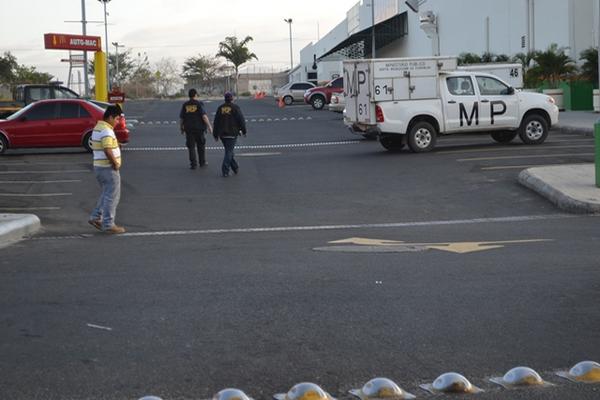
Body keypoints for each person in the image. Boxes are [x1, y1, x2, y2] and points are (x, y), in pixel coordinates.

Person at [88, 105, 126, 234]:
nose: (117, 122)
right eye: (116, 119)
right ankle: (108, 223)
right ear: (110, 117)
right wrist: (115, 163)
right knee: (112, 196)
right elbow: (107, 149)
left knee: (106, 194)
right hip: (107, 168)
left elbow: (105, 145)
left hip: (99, 167)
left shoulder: (98, 128)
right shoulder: (106, 131)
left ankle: (95, 217)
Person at [213, 92, 247, 177]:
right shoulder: (235, 107)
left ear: (224, 99)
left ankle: (235, 167)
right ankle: (225, 170)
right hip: (232, 133)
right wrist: (244, 131)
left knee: (229, 151)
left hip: (222, 134)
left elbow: (216, 122)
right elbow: (241, 120)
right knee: (229, 151)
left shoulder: (220, 108)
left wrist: (215, 134)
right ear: (232, 99)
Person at [179, 88, 213, 169]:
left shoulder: (185, 105)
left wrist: (181, 128)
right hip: (199, 128)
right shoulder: (199, 104)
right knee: (201, 145)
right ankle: (202, 162)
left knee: (191, 147)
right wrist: (209, 126)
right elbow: (204, 116)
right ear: (195, 95)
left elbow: (181, 118)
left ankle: (193, 164)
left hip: (189, 129)